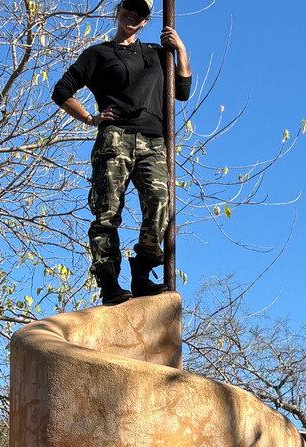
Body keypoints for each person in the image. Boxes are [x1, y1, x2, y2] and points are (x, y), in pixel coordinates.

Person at [51, 0, 192, 305]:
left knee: (159, 205)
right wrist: (91, 118)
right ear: (118, 10)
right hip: (115, 138)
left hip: (154, 141)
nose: (133, 14)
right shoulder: (98, 54)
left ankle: (142, 272)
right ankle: (109, 282)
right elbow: (61, 90)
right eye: (129, 6)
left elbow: (182, 91)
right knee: (107, 211)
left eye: (140, 11)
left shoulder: (158, 53)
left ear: (146, 20)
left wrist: (180, 49)